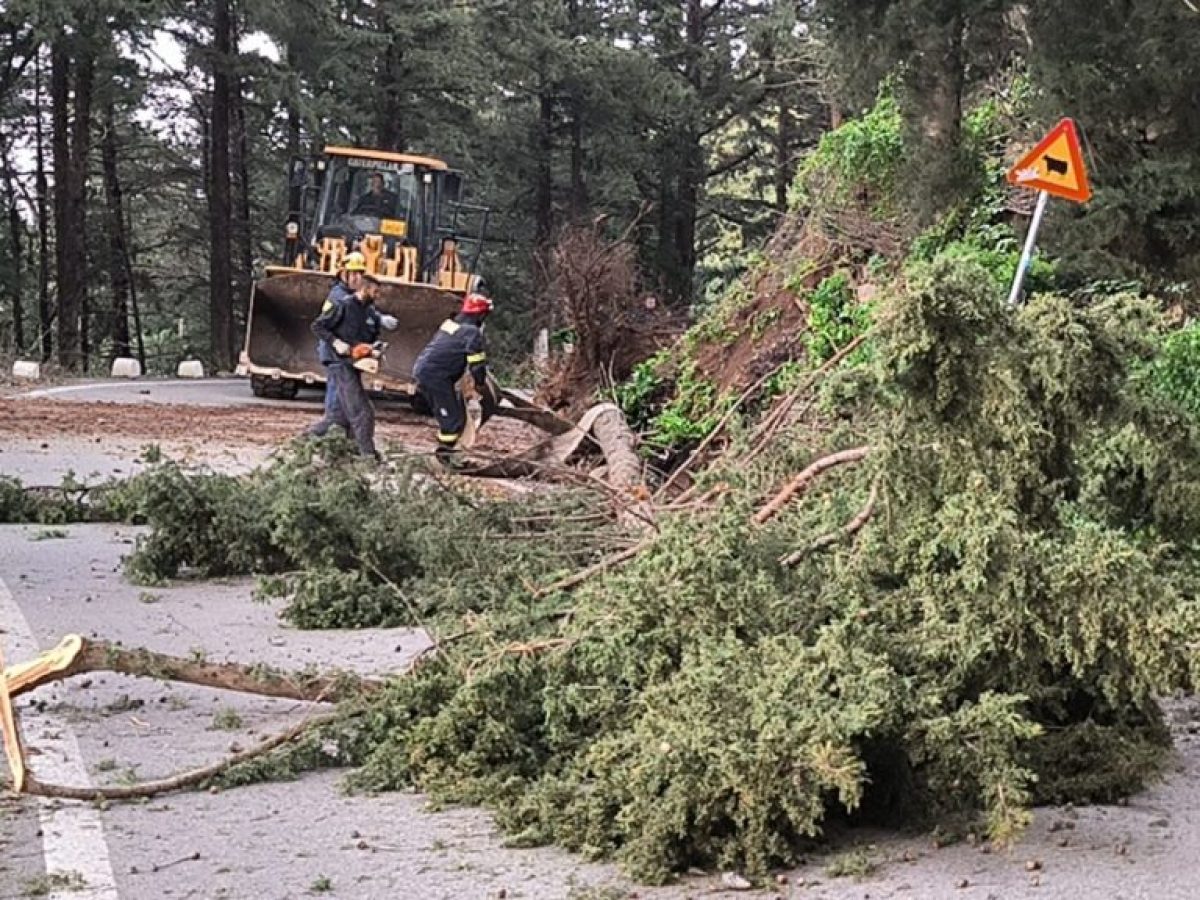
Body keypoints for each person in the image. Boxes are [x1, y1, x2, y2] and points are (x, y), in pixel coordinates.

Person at [306, 262, 386, 459]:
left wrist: (372, 349)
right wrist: (336, 342)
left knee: (338, 418)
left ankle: (303, 442)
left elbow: (368, 337)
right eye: (375, 292)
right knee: (362, 411)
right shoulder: (343, 305)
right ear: (365, 289)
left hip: (353, 364)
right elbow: (318, 326)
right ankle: (368, 456)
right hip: (338, 362)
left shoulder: (369, 313)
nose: (378, 296)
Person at [413, 291, 495, 460]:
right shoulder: (472, 333)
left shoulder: (451, 324)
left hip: (428, 372)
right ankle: (444, 456)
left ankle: (448, 453)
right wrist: (480, 385)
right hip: (435, 377)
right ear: (480, 314)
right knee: (452, 421)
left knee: (455, 415)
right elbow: (477, 364)